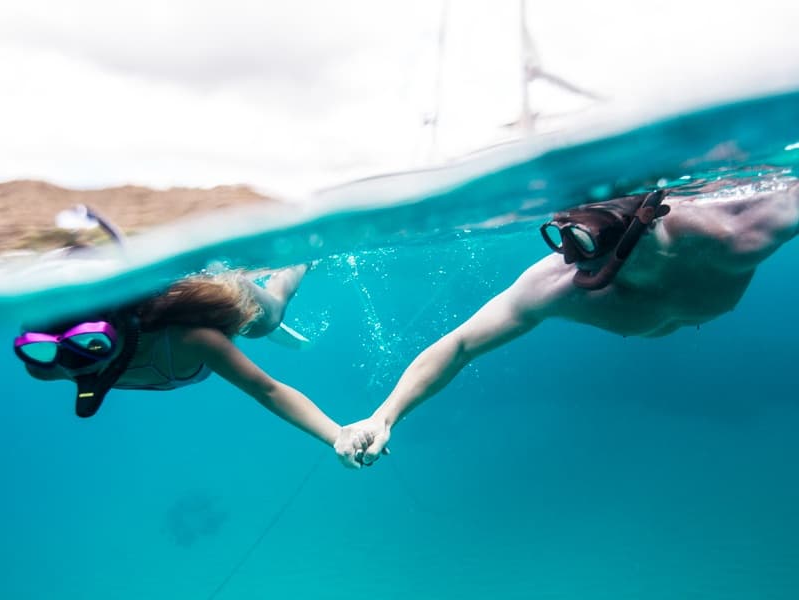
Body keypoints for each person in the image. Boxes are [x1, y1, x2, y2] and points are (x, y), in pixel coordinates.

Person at [334, 180, 799, 467]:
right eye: (563, 239)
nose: (572, 259)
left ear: (644, 224)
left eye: (585, 240)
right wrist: (384, 416)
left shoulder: (740, 231)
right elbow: (459, 346)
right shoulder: (557, 283)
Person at [14, 207, 340, 448]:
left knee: (270, 316)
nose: (73, 365)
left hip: (212, 298)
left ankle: (302, 258)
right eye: (45, 349)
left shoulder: (191, 339)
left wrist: (336, 435)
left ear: (117, 325)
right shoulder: (45, 366)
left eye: (91, 345)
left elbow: (267, 390)